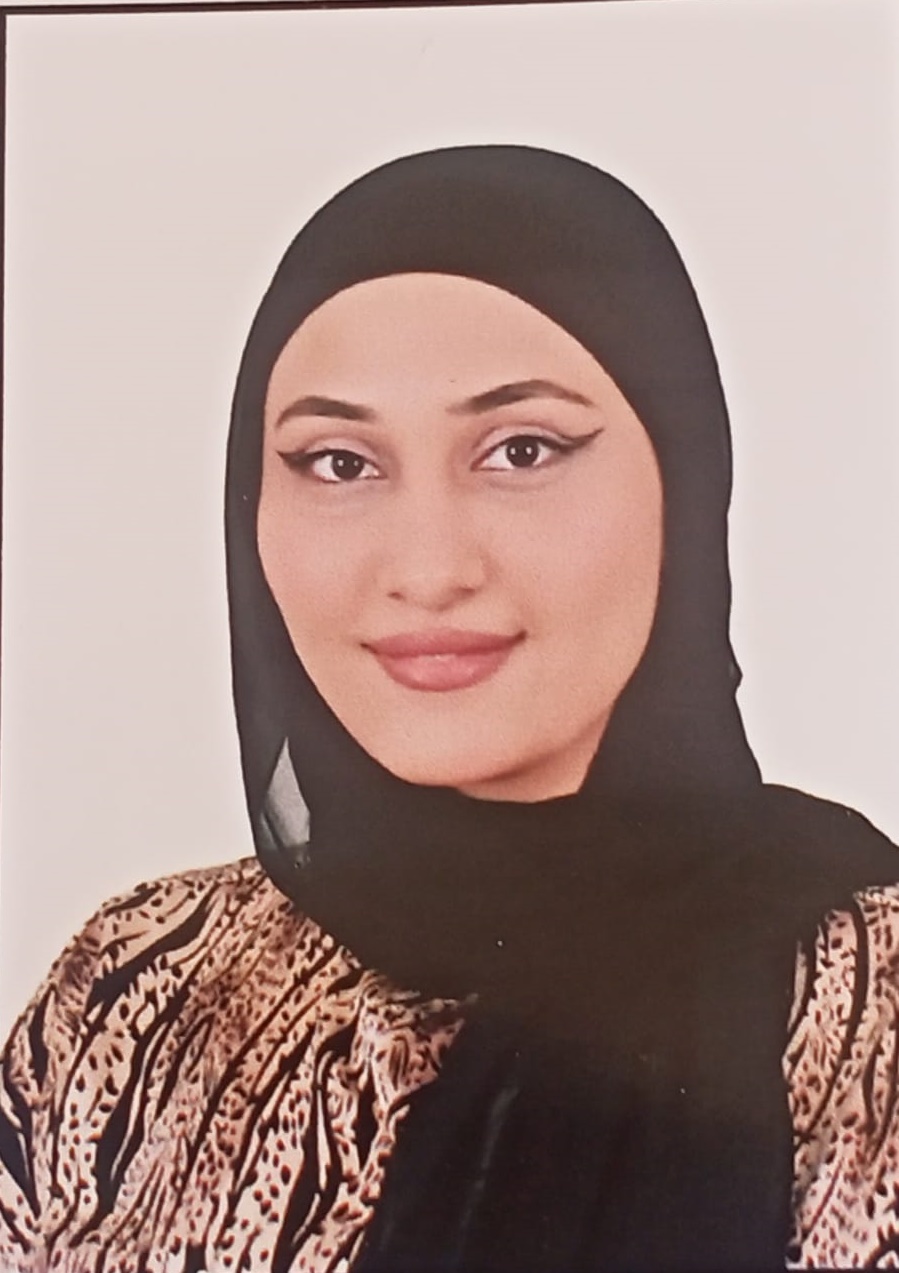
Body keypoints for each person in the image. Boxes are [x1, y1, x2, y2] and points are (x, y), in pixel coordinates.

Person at [1, 145, 898, 1273]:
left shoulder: (870, 1014)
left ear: (685, 484)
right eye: (338, 463)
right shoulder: (138, 982)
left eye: (520, 450)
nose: (426, 570)